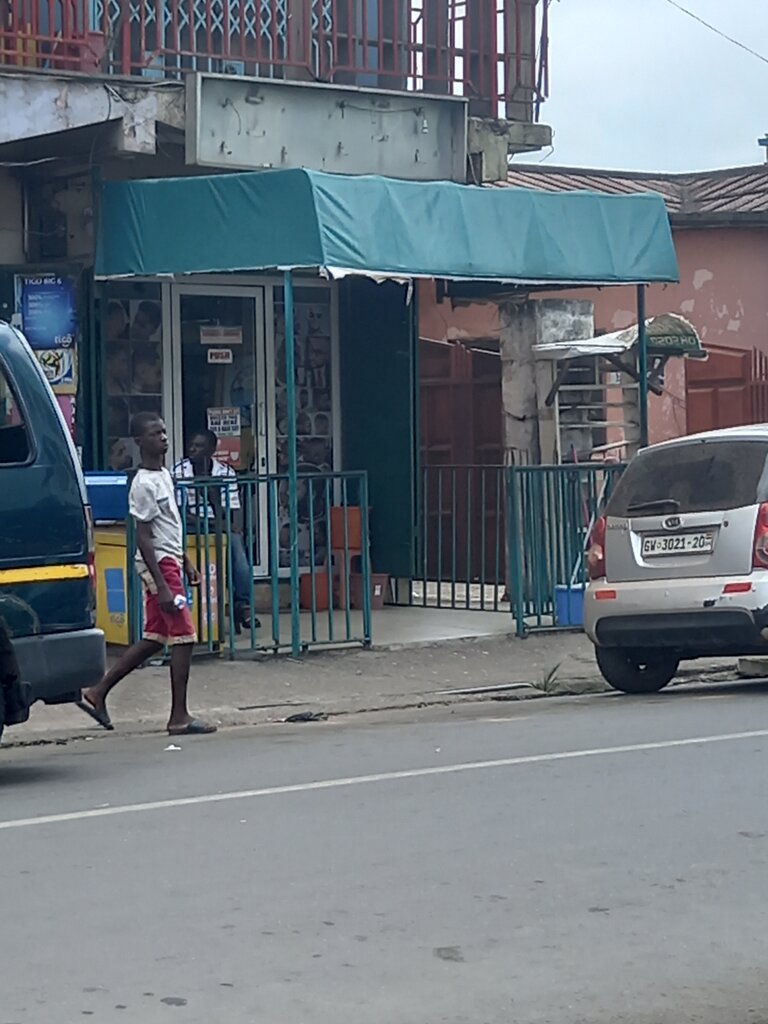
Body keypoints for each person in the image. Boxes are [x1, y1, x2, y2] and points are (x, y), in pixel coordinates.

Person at [79, 413, 216, 735]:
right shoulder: (142, 484)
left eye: (164, 432)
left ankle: (97, 692)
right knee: (184, 637)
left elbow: (168, 527)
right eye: (155, 434)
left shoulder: (164, 475)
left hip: (170, 559)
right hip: (159, 564)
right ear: (140, 441)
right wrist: (163, 585)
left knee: (156, 636)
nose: (163, 438)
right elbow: (144, 535)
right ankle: (178, 716)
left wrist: (186, 561)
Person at [173, 429, 259, 631]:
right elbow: (180, 513)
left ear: (211, 450)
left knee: (238, 554)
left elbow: (230, 513)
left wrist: (213, 496)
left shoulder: (225, 473)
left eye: (199, 446)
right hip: (190, 526)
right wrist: (216, 524)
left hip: (218, 524)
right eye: (191, 445)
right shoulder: (179, 471)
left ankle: (243, 605)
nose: (192, 449)